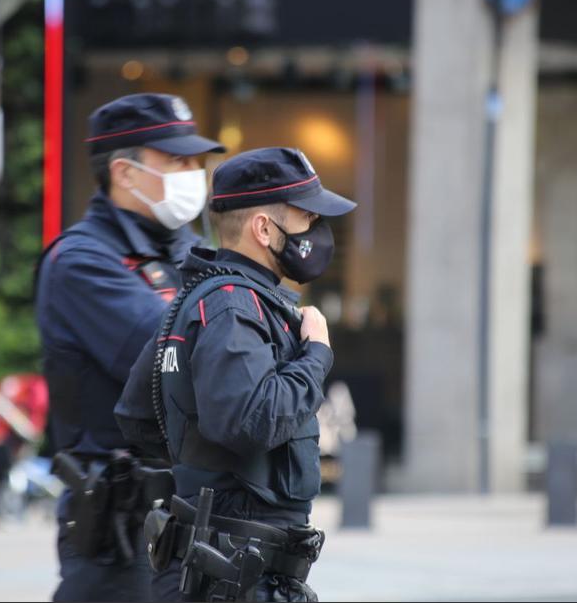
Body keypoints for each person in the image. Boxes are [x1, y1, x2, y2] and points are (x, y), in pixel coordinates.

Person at [117, 147, 356, 601]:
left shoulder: (203, 298)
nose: (316, 229)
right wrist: (316, 355)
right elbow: (251, 420)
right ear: (263, 229)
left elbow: (138, 416)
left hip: (223, 564)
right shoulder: (232, 305)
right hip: (235, 574)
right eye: (306, 216)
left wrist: (204, 471)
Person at [35, 93, 225, 602]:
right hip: (121, 540)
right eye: (177, 161)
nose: (193, 174)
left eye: (196, 162)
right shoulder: (82, 262)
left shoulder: (191, 249)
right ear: (124, 172)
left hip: (193, 523)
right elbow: (183, 361)